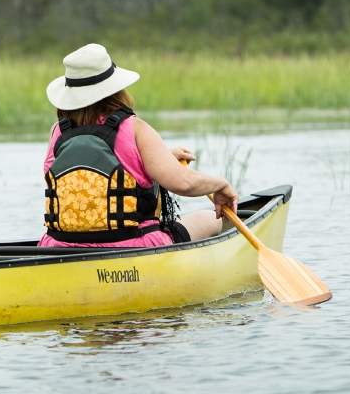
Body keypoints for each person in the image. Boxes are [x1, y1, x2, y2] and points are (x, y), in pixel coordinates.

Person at [39, 43, 239, 248]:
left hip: (60, 247)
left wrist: (163, 155)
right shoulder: (135, 128)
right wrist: (221, 184)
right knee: (210, 218)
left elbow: (91, 164)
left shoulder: (58, 132)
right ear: (115, 89)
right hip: (132, 245)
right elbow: (183, 183)